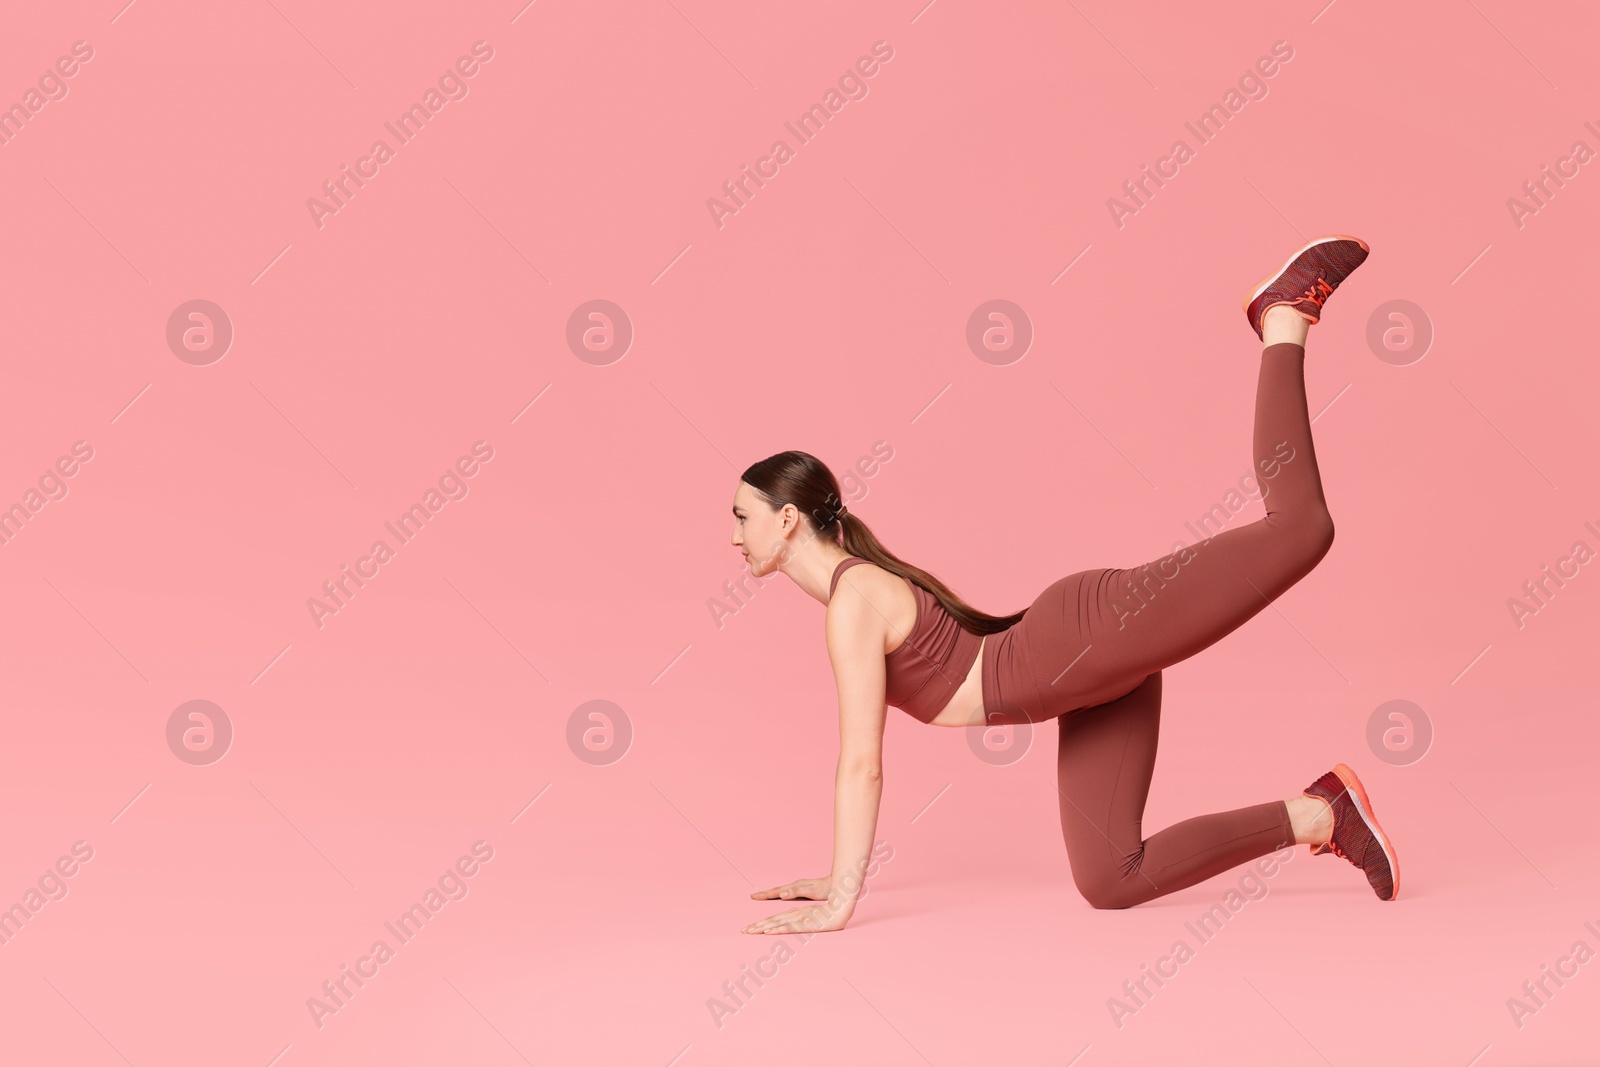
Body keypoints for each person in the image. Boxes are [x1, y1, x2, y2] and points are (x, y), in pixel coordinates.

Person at [735, 236, 1400, 935]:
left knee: (1300, 528)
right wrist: (835, 875)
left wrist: (844, 895)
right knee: (1111, 875)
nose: (732, 535)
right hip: (1075, 675)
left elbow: (861, 764)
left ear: (785, 519)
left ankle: (1284, 318)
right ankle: (1323, 813)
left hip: (1084, 637)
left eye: (740, 516)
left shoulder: (852, 602)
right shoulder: (852, 593)